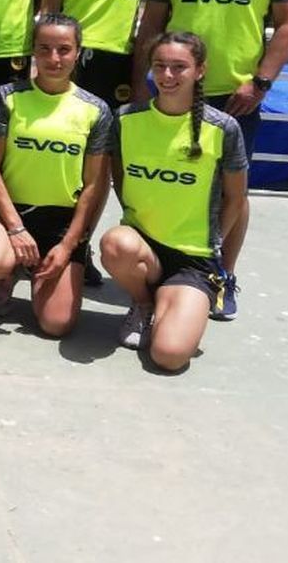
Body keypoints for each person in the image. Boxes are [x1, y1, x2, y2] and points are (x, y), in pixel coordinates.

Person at [134, 0, 288, 320]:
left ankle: (222, 275)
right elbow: (152, 23)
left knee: (233, 195)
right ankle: (162, 269)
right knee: (168, 185)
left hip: (237, 99)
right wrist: (140, 84)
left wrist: (261, 81)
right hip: (173, 96)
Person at [35, 0, 161, 286]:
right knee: (63, 160)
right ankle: (60, 245)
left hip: (121, 66)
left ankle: (94, 246)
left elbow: (155, 17)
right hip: (69, 62)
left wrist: (145, 76)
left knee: (107, 167)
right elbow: (48, 10)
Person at [101, 32, 247, 371]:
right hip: (143, 249)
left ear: (199, 70)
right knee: (115, 243)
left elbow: (236, 198)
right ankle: (142, 302)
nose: (167, 76)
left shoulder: (223, 128)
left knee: (169, 355)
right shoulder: (125, 119)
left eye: (179, 67)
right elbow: (119, 177)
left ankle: (180, 298)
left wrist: (215, 247)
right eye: (160, 66)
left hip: (193, 261)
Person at [0, 13, 112, 335]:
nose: (53, 58)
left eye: (64, 49)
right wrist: (15, 227)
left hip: (60, 222)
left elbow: (94, 186)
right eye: (44, 49)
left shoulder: (96, 110)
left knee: (56, 324)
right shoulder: (7, 96)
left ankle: (47, 267)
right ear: (33, 51)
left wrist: (70, 245)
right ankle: (8, 272)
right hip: (9, 214)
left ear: (78, 51)